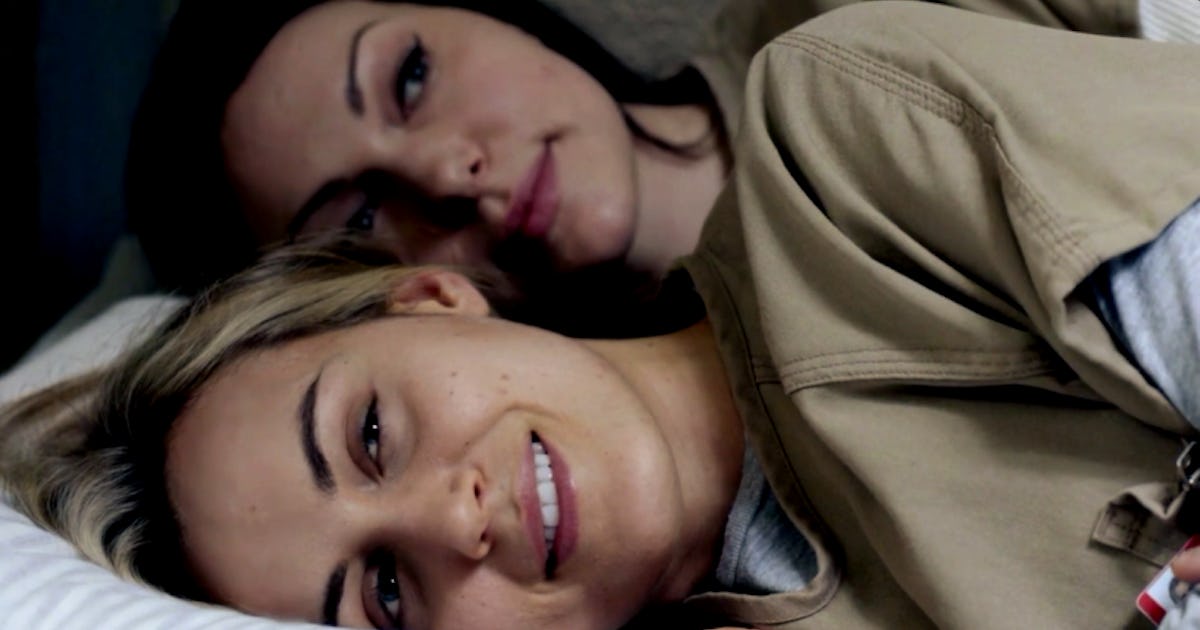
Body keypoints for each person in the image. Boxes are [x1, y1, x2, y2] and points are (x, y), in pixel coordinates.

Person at [5, 3, 1200, 629]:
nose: (450, 519)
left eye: (370, 435)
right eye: (384, 599)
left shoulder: (838, 151)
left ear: (429, 300)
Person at [123, 0, 1161, 336]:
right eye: (357, 218)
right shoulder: (659, 503)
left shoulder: (857, 15)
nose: (446, 171)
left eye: (411, 77)